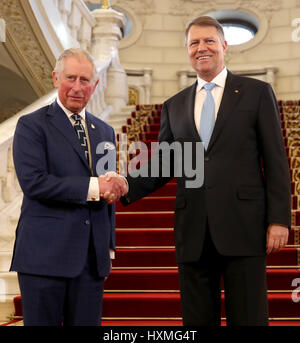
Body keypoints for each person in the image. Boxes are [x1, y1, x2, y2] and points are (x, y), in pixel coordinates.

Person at [118, 16, 291, 326]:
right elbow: (166, 162)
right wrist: (124, 184)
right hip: (193, 229)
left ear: (224, 45)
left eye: (209, 40)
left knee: (250, 318)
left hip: (245, 226)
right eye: (194, 43)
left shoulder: (256, 92)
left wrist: (279, 219)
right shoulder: (174, 105)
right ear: (187, 50)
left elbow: (276, 160)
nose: (202, 48)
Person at [10, 48, 128, 326]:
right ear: (55, 78)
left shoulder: (105, 131)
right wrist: (96, 187)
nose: (77, 87)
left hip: (90, 261)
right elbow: (34, 183)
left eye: (85, 80)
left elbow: (105, 186)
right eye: (70, 78)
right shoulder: (31, 125)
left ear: (95, 86)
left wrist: (116, 185)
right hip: (44, 257)